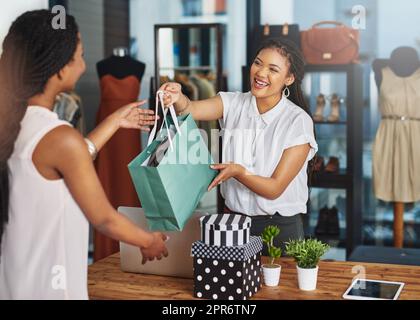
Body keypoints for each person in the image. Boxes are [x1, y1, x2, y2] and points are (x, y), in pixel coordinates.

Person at [0, 10, 168, 300]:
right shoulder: (59, 138)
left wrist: (114, 121)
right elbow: (104, 218)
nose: (83, 64)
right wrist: (148, 240)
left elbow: (72, 156)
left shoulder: (16, 125)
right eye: (79, 55)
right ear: (60, 69)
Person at [160, 39, 318, 254]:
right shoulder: (233, 102)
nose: (261, 73)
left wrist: (238, 172)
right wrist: (177, 97)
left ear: (289, 79)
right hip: (233, 224)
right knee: (232, 287)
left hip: (280, 229)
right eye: (258, 63)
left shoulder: (297, 121)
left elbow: (274, 188)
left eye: (272, 69)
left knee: (279, 288)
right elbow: (190, 109)